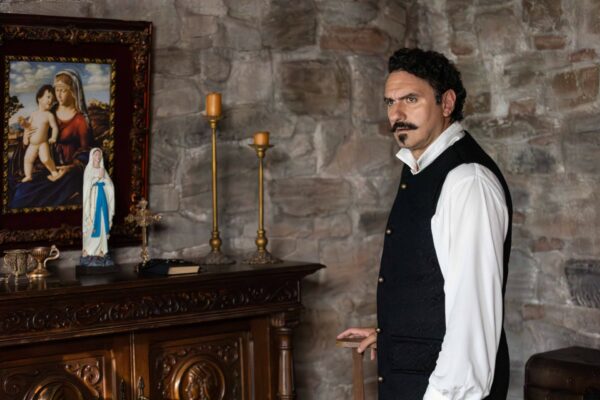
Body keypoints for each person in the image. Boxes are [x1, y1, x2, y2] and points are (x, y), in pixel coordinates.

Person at [337, 48, 512, 400]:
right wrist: (395, 336)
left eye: (411, 99)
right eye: (390, 102)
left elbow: (471, 317)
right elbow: (433, 288)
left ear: (446, 103)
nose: (397, 114)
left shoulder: (467, 181)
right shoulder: (420, 167)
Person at [19, 84, 63, 182]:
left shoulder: (49, 115)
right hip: (32, 144)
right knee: (27, 159)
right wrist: (24, 124)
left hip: (43, 143)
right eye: (48, 97)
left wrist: (53, 137)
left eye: (52, 99)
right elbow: (28, 127)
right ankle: (28, 175)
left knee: (46, 159)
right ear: (39, 98)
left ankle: (54, 172)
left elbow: (54, 127)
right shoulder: (33, 114)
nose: (51, 100)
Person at [80, 147, 115, 266]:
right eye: (95, 154)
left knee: (102, 222)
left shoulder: (103, 170)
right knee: (92, 222)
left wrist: (104, 181)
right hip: (93, 201)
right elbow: (86, 185)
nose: (98, 157)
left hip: (102, 198)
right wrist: (97, 179)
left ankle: (101, 250)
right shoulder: (88, 169)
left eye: (99, 155)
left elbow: (110, 185)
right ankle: (89, 251)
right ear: (92, 156)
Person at [53, 69, 93, 167]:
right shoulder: (50, 112)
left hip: (70, 168)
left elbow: (85, 153)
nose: (58, 95)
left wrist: (70, 168)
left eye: (63, 90)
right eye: (57, 90)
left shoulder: (80, 120)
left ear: (73, 92)